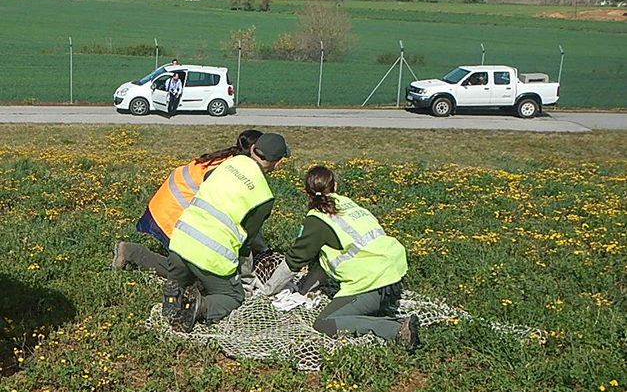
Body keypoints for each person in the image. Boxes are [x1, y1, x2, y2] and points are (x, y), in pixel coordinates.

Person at [261, 166, 420, 352]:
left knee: (325, 323)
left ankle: (396, 329)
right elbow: (324, 262)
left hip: (373, 284)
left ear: (306, 193)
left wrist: (268, 290)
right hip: (394, 277)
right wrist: (303, 289)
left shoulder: (318, 219)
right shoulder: (349, 204)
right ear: (335, 186)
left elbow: (295, 260)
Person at [163, 132, 291, 332]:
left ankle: (175, 292)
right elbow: (247, 239)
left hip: (179, 242)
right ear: (278, 164)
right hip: (211, 256)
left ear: (253, 150)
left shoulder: (230, 163)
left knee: (183, 277)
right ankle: (201, 306)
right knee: (233, 297)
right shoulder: (264, 196)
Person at [111, 129, 264, 278]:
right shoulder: (235, 171)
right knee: (194, 275)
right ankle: (132, 253)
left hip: (162, 208)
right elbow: (236, 220)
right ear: (253, 150)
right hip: (173, 216)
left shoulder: (227, 158)